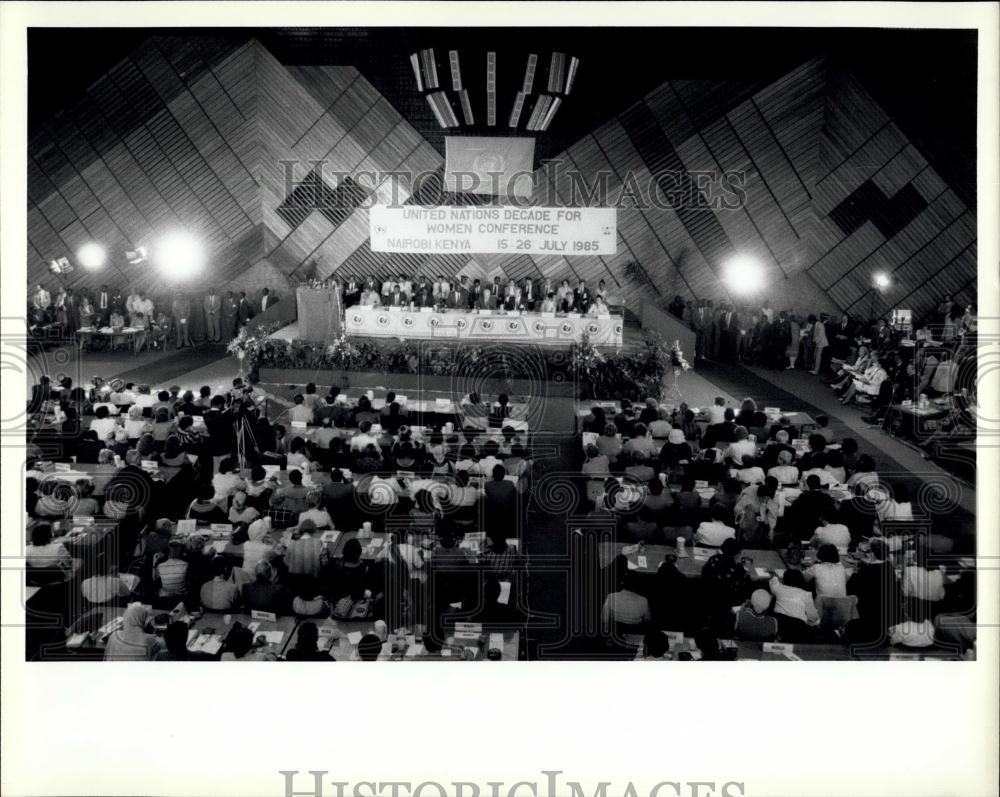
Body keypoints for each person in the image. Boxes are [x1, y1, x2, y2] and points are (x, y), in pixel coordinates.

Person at [769, 570, 818, 641]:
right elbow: (813, 617)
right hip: (798, 632)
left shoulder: (778, 589)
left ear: (784, 580)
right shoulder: (806, 594)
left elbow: (773, 582)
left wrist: (774, 575)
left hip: (779, 628)